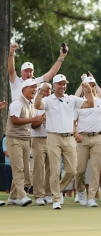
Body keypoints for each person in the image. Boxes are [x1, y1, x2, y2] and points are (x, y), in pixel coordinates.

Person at [34, 74, 94, 210]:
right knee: (54, 169)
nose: (62, 86)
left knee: (73, 170)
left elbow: (90, 103)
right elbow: (37, 104)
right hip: (53, 136)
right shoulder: (48, 99)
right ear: (54, 86)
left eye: (64, 84)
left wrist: (88, 90)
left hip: (69, 137)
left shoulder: (71, 99)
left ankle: (57, 189)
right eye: (60, 84)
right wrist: (40, 91)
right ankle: (56, 198)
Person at [74, 76, 101, 207]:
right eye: (87, 85)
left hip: (97, 137)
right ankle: (80, 191)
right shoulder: (78, 102)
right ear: (83, 88)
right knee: (80, 169)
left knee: (96, 168)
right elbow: (73, 122)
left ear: (95, 87)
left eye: (92, 85)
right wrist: (75, 133)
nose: (90, 87)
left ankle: (91, 197)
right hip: (82, 138)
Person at [6, 79, 44, 207]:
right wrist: (34, 118)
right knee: (19, 168)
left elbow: (32, 125)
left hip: (27, 139)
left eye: (35, 87)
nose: (34, 89)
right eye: (31, 87)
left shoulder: (32, 103)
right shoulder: (17, 102)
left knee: (26, 170)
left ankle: (12, 197)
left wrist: (40, 119)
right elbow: (15, 120)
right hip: (14, 139)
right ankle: (22, 195)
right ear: (23, 89)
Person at [31, 83, 53, 205]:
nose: (46, 92)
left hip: (51, 138)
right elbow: (32, 126)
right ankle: (39, 195)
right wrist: (40, 119)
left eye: (48, 90)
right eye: (44, 90)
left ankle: (49, 193)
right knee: (39, 168)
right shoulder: (35, 105)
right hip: (38, 138)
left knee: (51, 168)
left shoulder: (53, 103)